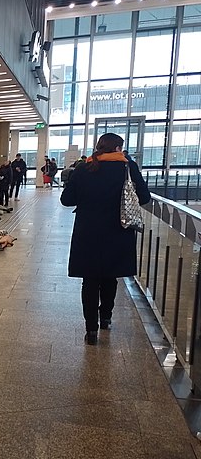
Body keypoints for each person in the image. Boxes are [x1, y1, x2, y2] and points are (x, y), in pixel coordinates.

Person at [60, 133, 150, 345]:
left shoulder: (84, 167)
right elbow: (144, 197)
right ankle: (106, 317)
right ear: (118, 148)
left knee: (89, 280)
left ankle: (91, 330)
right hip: (118, 231)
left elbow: (67, 200)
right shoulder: (128, 167)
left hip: (88, 232)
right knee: (110, 277)